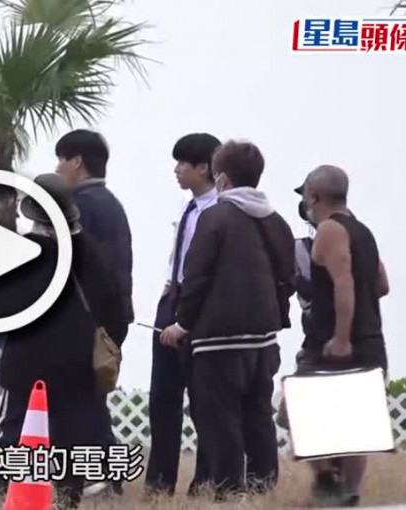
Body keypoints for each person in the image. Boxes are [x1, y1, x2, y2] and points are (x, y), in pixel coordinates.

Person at [160, 140, 295, 501]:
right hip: (264, 338)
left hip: (218, 339)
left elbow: (197, 277)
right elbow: (289, 275)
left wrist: (182, 324)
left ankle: (229, 491)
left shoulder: (215, 217)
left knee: (221, 419)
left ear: (221, 178)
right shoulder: (275, 220)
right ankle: (263, 488)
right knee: (258, 415)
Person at [0, 173, 125, 509]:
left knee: (16, 431)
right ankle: (68, 496)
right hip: (78, 364)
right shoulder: (90, 253)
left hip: (27, 363)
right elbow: (115, 312)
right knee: (73, 436)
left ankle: (4, 494)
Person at [295, 165, 390, 507]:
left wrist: (341, 337)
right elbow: (382, 285)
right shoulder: (363, 231)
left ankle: (328, 482)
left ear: (314, 195)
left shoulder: (330, 229)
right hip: (371, 339)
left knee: (299, 409)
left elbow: (343, 282)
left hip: (335, 343)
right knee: (355, 427)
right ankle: (349, 493)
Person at [54, 129, 132, 496]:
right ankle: (108, 478)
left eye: (61, 159)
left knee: (77, 404)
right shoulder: (112, 204)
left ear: (77, 161)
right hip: (112, 319)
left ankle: (88, 480)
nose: (58, 167)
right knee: (93, 400)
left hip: (82, 321)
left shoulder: (78, 207)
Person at [145, 133, 220, 497]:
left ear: (203, 167)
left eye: (182, 164)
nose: (176, 170)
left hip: (200, 307)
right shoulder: (185, 206)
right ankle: (159, 483)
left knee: (203, 397)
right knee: (162, 396)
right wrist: (167, 286)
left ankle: (205, 480)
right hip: (172, 298)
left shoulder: (219, 210)